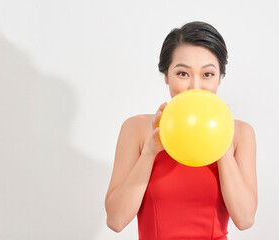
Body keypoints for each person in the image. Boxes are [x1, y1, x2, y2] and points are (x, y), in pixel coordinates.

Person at [104, 21, 258, 239]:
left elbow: (245, 219)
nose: (195, 87)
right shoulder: (137, 129)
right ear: (166, 76)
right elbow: (116, 220)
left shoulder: (240, 133)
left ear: (219, 78)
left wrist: (220, 141)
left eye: (207, 75)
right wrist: (149, 152)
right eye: (183, 74)